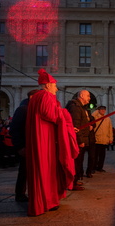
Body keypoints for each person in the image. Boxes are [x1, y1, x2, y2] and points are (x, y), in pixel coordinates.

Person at [26, 69, 77, 216]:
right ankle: (47, 202)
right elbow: (52, 115)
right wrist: (65, 114)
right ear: (47, 85)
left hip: (42, 137)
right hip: (45, 139)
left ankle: (45, 201)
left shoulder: (36, 97)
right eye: (54, 85)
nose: (56, 88)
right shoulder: (46, 96)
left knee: (44, 169)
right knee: (47, 169)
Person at [10, 89, 40, 202]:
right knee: (24, 171)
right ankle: (20, 194)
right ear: (32, 97)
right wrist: (19, 147)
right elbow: (14, 129)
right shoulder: (22, 110)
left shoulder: (33, 109)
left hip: (32, 146)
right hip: (24, 146)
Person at [65, 90, 92, 187]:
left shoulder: (80, 107)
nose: (89, 98)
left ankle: (75, 180)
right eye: (88, 96)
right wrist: (80, 141)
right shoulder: (76, 107)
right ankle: (73, 182)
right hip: (77, 141)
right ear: (81, 95)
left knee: (79, 162)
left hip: (81, 139)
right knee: (76, 162)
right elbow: (76, 126)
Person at [92, 106, 113, 172]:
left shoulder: (108, 118)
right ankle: (94, 167)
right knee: (95, 155)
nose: (103, 111)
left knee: (102, 155)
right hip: (97, 139)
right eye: (101, 110)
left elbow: (110, 129)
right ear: (99, 110)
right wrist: (96, 111)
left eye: (104, 110)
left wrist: (110, 138)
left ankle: (100, 167)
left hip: (104, 139)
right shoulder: (96, 117)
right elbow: (91, 116)